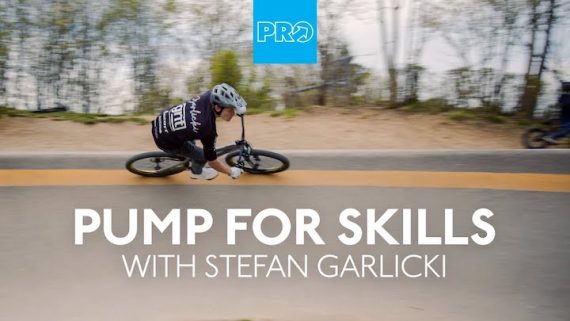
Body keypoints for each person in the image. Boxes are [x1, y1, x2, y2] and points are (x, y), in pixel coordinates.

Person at [151, 83, 245, 180]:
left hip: (163, 118)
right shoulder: (207, 129)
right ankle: (196, 172)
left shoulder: (209, 95)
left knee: (192, 139)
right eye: (230, 110)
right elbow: (212, 161)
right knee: (202, 156)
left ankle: (189, 155)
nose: (233, 113)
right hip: (164, 140)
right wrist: (231, 172)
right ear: (217, 107)